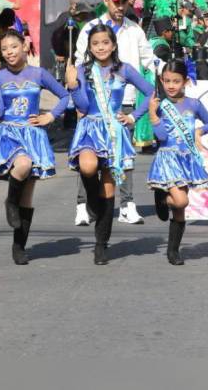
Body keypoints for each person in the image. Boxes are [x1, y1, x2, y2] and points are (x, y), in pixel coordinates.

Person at [66, 24, 154, 265]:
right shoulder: (83, 70)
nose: (100, 47)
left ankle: (101, 244)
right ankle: (92, 205)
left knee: (108, 187)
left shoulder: (124, 69)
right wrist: (73, 86)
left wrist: (133, 116)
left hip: (115, 131)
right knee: (87, 166)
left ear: (113, 45)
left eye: (105, 42)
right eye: (95, 44)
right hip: (90, 129)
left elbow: (150, 92)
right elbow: (83, 106)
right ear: (90, 47)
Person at [0, 29, 70, 264]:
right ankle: (9, 202)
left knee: (28, 196)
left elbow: (64, 96)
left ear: (24, 46)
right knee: (23, 164)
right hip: (9, 134)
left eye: (13, 46)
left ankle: (18, 246)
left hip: (33, 135)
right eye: (4, 49)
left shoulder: (39, 73)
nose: (9, 52)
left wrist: (50, 117)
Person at [74, 0, 155, 225]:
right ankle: (82, 205)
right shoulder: (90, 28)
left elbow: (149, 60)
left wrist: (173, 73)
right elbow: (79, 64)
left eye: (125, 2)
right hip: (93, 105)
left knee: (123, 156)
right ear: (106, 1)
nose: (121, 6)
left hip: (123, 103)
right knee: (87, 157)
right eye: (117, 1)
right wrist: (78, 102)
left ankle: (127, 204)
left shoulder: (134, 30)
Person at [147, 59, 208, 265]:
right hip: (167, 158)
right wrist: (152, 113)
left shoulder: (194, 104)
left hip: (186, 159)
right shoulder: (160, 105)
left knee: (180, 208)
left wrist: (198, 131)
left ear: (185, 81)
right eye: (167, 81)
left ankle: (173, 251)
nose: (171, 85)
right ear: (161, 80)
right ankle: (161, 197)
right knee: (181, 201)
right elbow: (160, 136)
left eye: (176, 81)